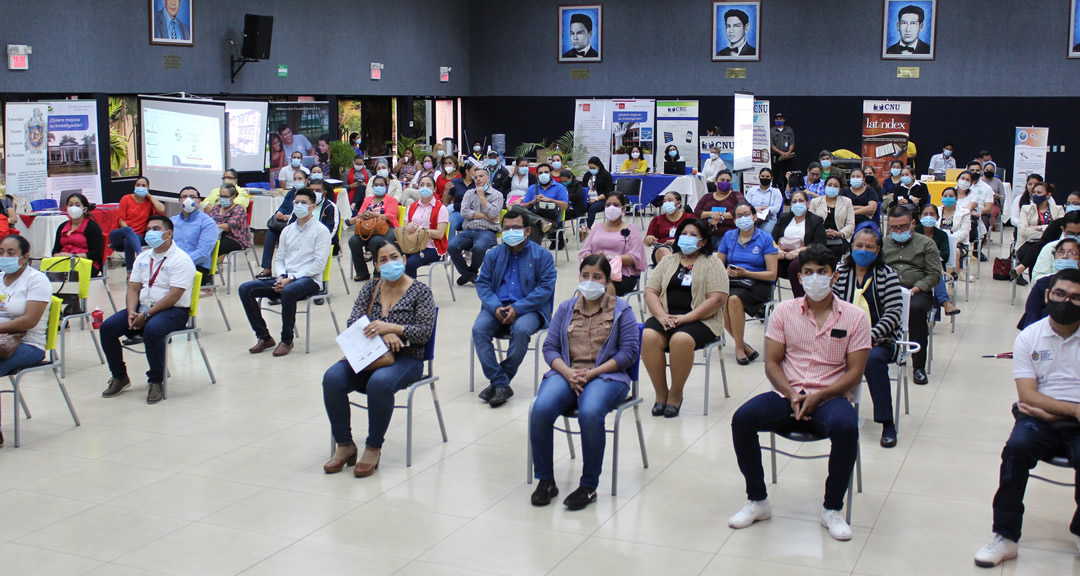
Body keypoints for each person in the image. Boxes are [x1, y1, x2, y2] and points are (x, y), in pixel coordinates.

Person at [728, 245, 870, 542]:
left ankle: (832, 508)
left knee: (846, 427)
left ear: (834, 276)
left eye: (822, 272)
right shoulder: (784, 311)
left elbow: (855, 372)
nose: (814, 278)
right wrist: (792, 394)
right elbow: (771, 363)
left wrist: (819, 396)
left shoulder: (855, 317)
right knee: (743, 419)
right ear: (800, 276)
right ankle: (757, 500)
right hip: (787, 394)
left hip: (830, 396)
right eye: (808, 273)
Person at [972, 268, 1080, 568]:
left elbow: (1036, 399)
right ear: (1047, 296)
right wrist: (1072, 409)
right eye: (1060, 295)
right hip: (1039, 419)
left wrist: (1053, 408)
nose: (1066, 302)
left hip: (1067, 420)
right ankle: (1005, 536)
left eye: (1075, 298)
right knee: (1016, 451)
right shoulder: (1030, 337)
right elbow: (1028, 396)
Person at [529, 254, 639, 510]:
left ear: (607, 280)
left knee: (590, 413)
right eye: (585, 275)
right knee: (541, 409)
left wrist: (592, 373)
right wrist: (567, 372)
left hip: (607, 376)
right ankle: (545, 480)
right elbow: (550, 348)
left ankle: (588, 486)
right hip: (568, 372)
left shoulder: (622, 310)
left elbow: (628, 353)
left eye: (597, 277)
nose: (590, 281)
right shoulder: (566, 308)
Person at [321, 240, 437, 478]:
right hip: (370, 354)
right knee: (332, 378)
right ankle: (345, 445)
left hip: (408, 358)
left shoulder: (421, 291)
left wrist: (394, 328)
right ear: (375, 264)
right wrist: (383, 335)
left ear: (404, 260)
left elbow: (424, 333)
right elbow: (353, 324)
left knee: (379, 383)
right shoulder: (370, 289)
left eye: (394, 257)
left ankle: (373, 446)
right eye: (383, 260)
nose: (389, 263)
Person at [100, 216, 196, 405]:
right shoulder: (143, 257)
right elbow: (133, 288)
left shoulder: (181, 260)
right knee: (107, 328)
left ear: (168, 233)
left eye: (156, 228)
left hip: (173, 310)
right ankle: (119, 376)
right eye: (148, 229)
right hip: (142, 307)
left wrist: (147, 315)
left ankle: (155, 381)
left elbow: (174, 296)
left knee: (153, 330)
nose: (150, 233)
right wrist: (130, 313)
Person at [642, 219, 729, 418]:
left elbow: (717, 299)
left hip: (702, 320)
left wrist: (686, 319)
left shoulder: (713, 263)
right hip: (667, 315)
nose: (687, 238)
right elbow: (651, 292)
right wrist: (662, 316)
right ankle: (660, 393)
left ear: (703, 241)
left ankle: (675, 394)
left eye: (693, 235)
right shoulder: (667, 261)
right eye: (684, 234)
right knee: (648, 336)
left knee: (680, 339)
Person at [473, 209, 558, 408]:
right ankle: (500, 382)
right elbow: (483, 284)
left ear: (527, 231)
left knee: (520, 330)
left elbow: (545, 289)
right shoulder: (494, 254)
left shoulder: (542, 256)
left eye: (516, 228)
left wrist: (518, 309)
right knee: (478, 330)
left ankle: (499, 382)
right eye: (507, 229)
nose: (511, 232)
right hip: (496, 307)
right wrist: (494, 307)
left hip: (530, 309)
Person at [832, 227, 904, 447]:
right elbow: (831, 307)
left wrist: (868, 336)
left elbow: (893, 313)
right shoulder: (842, 273)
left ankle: (886, 423)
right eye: (859, 246)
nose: (863, 250)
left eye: (869, 247)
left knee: (871, 360)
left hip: (880, 339)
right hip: (844, 337)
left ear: (878, 249)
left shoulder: (887, 275)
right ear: (852, 247)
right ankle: (830, 412)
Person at [239, 188, 330, 358]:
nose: (299, 205)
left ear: (312, 207)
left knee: (288, 291)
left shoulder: (321, 231)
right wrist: (281, 276)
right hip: (286, 277)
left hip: (309, 280)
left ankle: (286, 340)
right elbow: (279, 258)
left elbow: (319, 265)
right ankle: (264, 337)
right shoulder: (287, 230)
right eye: (296, 202)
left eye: (303, 203)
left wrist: (291, 278)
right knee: (246, 289)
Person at [0, 234, 54, 444]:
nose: (4, 257)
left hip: (28, 343)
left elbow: (30, 320)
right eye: (2, 252)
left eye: (11, 253)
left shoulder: (36, 280)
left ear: (25, 257)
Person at [882, 205, 941, 385]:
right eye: (894, 228)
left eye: (903, 227)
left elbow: (934, 274)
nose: (898, 231)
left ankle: (918, 366)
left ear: (913, 224)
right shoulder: (883, 243)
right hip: (888, 289)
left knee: (915, 311)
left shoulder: (926, 244)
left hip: (916, 291)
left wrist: (914, 289)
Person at [718, 201, 779, 365]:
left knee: (733, 299)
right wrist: (725, 271)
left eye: (746, 215)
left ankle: (739, 348)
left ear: (754, 217)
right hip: (733, 281)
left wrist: (747, 273)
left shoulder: (765, 238)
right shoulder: (728, 236)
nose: (743, 218)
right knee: (719, 300)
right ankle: (744, 346)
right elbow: (718, 265)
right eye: (739, 216)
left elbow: (772, 274)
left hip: (758, 283)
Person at [579, 194, 647, 297]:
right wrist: (595, 257)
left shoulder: (631, 229)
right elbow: (585, 252)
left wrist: (610, 258)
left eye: (616, 205)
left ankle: (607, 312)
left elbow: (634, 257)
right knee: (585, 286)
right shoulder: (598, 227)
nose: (611, 208)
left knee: (603, 286)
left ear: (623, 208)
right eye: (608, 205)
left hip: (621, 275)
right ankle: (583, 312)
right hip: (596, 270)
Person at [449, 167, 504, 285]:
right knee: (452, 246)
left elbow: (494, 213)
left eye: (481, 176)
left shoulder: (497, 195)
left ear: (488, 178)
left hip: (487, 231)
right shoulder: (468, 193)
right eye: (476, 177)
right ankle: (470, 275)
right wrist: (484, 216)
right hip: (468, 230)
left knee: (478, 248)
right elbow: (464, 212)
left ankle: (469, 274)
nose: (478, 179)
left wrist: (482, 197)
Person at [773, 190, 827, 299]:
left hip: (803, 256)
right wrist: (777, 250)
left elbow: (819, 244)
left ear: (807, 204)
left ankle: (800, 300)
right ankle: (764, 301)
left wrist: (798, 252)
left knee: (795, 266)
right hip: (782, 255)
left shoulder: (816, 220)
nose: (798, 204)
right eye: (794, 201)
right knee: (768, 263)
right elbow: (772, 239)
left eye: (801, 201)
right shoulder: (784, 218)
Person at [346, 175, 399, 282]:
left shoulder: (391, 200)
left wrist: (373, 215)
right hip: (368, 228)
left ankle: (378, 272)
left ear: (386, 186)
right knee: (353, 241)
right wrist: (365, 215)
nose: (378, 187)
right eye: (376, 185)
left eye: (381, 185)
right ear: (372, 186)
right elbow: (361, 213)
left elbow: (390, 217)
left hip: (388, 228)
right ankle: (362, 272)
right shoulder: (367, 200)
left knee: (375, 241)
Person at [1017, 239, 1080, 330]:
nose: (1065, 256)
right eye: (1061, 252)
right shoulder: (1043, 284)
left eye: (1072, 253)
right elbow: (1031, 315)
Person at [257, 170, 307, 278]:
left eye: (300, 179)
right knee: (270, 233)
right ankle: (267, 268)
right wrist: (279, 213)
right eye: (295, 179)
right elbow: (282, 207)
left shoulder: (307, 195)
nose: (297, 181)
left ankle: (286, 269)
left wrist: (291, 217)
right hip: (283, 224)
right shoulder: (290, 193)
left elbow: (306, 211)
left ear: (306, 181)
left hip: (296, 225)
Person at [1012, 182, 1064, 286]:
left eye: (1039, 192)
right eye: (1034, 192)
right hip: (1027, 243)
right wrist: (1048, 232)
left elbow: (1059, 228)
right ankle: (1036, 288)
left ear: (1048, 195)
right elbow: (1023, 230)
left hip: (1052, 243)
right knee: (1037, 253)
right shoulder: (1026, 209)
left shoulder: (1058, 209)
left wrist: (1037, 227)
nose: (1035, 195)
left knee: (1040, 251)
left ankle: (1022, 268)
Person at [110, 176, 165, 274]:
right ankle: (140, 255)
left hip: (138, 236)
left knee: (128, 242)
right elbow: (121, 221)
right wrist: (129, 233)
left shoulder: (149, 202)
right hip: (121, 233)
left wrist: (150, 196)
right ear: (134, 186)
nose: (140, 187)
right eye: (138, 185)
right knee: (128, 231)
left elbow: (161, 209)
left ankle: (130, 273)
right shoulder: (126, 198)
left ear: (148, 188)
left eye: (143, 185)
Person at [917, 203, 961, 316]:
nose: (928, 216)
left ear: (937, 217)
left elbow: (945, 256)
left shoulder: (941, 235)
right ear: (919, 216)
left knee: (935, 273)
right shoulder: (914, 232)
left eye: (932, 214)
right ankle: (945, 303)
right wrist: (934, 252)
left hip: (935, 266)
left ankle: (934, 317)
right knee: (935, 274)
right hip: (916, 267)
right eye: (925, 214)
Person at [403, 176, 450, 279]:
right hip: (411, 244)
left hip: (431, 247)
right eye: (422, 185)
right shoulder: (412, 206)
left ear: (434, 189)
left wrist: (422, 231)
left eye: (428, 185)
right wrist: (409, 226)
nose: (425, 187)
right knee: (391, 255)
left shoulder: (440, 208)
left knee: (410, 263)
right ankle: (395, 290)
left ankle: (412, 292)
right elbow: (404, 228)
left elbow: (440, 234)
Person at [171, 187, 219, 286]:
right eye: (184, 197)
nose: (188, 200)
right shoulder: (172, 221)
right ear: (179, 201)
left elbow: (203, 253)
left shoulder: (207, 223)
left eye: (192, 197)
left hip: (196, 267)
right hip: (172, 265)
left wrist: (179, 263)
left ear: (199, 201)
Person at [52, 193, 105, 276]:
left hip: (86, 263)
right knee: (46, 271)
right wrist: (58, 256)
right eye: (70, 205)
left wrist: (73, 256)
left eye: (77, 205)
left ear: (84, 209)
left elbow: (96, 253)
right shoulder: (62, 226)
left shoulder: (92, 227)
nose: (73, 208)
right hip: (64, 261)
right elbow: (55, 250)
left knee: (71, 273)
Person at [522, 163, 569, 248]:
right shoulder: (532, 188)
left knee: (534, 228)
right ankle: (539, 221)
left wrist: (550, 200)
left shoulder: (559, 187)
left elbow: (565, 206)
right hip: (533, 217)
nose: (543, 175)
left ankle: (534, 255)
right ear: (537, 175)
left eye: (546, 172)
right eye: (540, 173)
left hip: (550, 221)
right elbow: (524, 207)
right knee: (516, 208)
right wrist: (533, 202)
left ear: (550, 174)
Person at [207, 183, 251, 272]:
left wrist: (215, 226)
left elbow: (229, 226)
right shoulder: (216, 208)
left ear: (233, 197)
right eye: (221, 196)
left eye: (225, 196)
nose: (222, 199)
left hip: (234, 239)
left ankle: (208, 274)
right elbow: (208, 221)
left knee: (212, 248)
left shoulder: (238, 210)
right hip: (216, 236)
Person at [810, 176, 856, 259]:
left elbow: (851, 224)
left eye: (835, 186)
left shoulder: (847, 202)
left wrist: (839, 233)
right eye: (830, 185)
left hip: (840, 237)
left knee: (836, 250)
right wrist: (823, 233)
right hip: (820, 236)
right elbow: (810, 223)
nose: (832, 187)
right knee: (820, 250)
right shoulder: (815, 202)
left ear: (840, 189)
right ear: (825, 187)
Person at [695, 170, 743, 249]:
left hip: (728, 235)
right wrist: (711, 214)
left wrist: (720, 216)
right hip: (706, 234)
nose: (725, 182)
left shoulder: (736, 195)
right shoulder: (707, 197)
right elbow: (697, 212)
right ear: (715, 182)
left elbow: (741, 210)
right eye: (722, 180)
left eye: (728, 181)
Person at [645, 192, 694, 264]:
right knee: (663, 252)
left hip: (683, 249)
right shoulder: (657, 219)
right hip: (662, 249)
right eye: (664, 201)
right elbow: (646, 243)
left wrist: (677, 241)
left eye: (670, 200)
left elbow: (696, 236)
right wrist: (649, 239)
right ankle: (673, 270)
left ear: (678, 203)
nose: (666, 203)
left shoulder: (689, 218)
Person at [1030, 210, 1080, 282]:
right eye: (1071, 233)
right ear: (1063, 229)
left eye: (1079, 234)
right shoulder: (1051, 248)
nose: (1076, 237)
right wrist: (1060, 277)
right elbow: (1036, 280)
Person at [744, 167, 783, 234]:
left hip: (769, 218)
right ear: (759, 177)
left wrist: (764, 210)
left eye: (767, 176)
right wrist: (755, 209)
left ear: (771, 178)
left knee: (764, 233)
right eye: (762, 176)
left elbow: (776, 208)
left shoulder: (776, 192)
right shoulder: (752, 190)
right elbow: (745, 205)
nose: (765, 178)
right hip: (752, 217)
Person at [582, 156, 614, 228]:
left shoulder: (606, 175)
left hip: (602, 199)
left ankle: (588, 228)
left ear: (599, 166)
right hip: (588, 198)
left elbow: (608, 192)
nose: (592, 170)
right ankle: (581, 227)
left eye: (594, 168)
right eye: (590, 168)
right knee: (580, 207)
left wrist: (596, 199)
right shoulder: (587, 175)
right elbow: (583, 188)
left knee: (592, 208)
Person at [771, 113, 796, 191]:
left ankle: (787, 194)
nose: (779, 120)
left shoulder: (789, 130)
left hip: (788, 156)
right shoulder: (771, 131)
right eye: (777, 119)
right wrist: (781, 153)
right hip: (776, 156)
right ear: (775, 120)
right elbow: (771, 145)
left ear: (784, 120)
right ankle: (775, 192)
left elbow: (792, 143)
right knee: (775, 176)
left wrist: (788, 152)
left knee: (787, 175)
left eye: (781, 119)